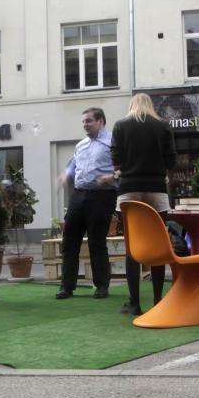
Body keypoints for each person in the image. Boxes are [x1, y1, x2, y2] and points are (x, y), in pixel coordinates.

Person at [111, 93, 177, 315]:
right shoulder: (163, 126)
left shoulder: (120, 126)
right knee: (158, 245)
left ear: (132, 105)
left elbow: (116, 160)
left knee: (132, 247)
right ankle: (158, 299)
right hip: (157, 189)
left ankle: (134, 302)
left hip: (129, 190)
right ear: (151, 106)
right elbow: (171, 161)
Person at [55, 108, 118, 300]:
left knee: (96, 242)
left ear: (101, 121)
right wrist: (66, 174)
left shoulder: (113, 142)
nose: (85, 125)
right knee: (69, 242)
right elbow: (72, 165)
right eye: (83, 121)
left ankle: (101, 286)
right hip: (78, 194)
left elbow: (124, 167)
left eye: (89, 121)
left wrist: (113, 177)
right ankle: (67, 286)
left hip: (102, 196)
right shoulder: (80, 145)